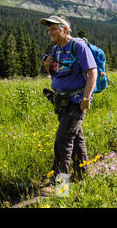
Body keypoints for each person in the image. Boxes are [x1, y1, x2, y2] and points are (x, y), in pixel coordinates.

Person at [39, 15, 97, 195]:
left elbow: (92, 73)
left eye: (53, 28)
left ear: (65, 29)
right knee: (76, 139)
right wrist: (48, 66)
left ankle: (60, 186)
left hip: (77, 101)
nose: (49, 32)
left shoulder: (78, 46)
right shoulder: (55, 49)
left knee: (62, 140)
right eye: (48, 29)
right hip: (61, 101)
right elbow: (57, 75)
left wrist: (86, 98)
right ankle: (82, 175)